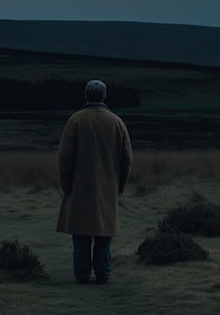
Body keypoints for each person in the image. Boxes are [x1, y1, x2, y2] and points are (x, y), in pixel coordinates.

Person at [56, 79, 133, 285]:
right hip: (107, 189)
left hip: (79, 188)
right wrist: (120, 186)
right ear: (105, 96)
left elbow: (65, 157)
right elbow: (127, 160)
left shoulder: (76, 120)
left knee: (81, 235)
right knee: (103, 234)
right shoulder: (117, 122)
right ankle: (103, 275)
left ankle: (81, 275)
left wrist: (66, 185)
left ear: (85, 95)